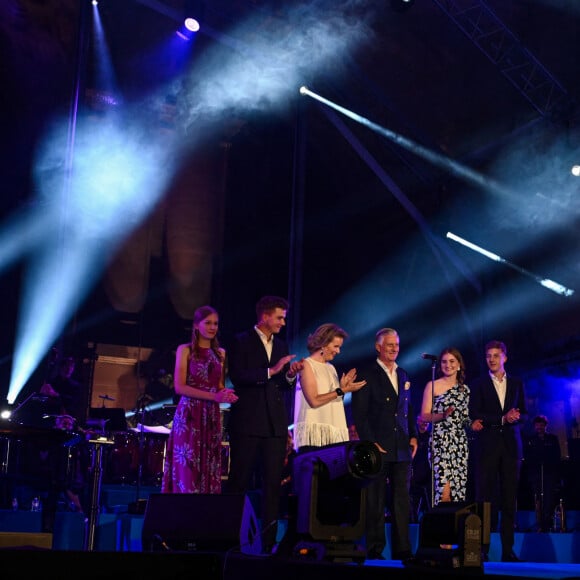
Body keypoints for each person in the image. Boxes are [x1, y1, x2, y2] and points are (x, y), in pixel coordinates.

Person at [225, 295, 303, 554]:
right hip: (247, 422)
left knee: (272, 486)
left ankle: (268, 544)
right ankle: (230, 540)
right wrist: (272, 370)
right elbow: (238, 376)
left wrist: (290, 375)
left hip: (274, 425)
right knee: (239, 482)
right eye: (279, 317)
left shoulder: (280, 344)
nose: (283, 322)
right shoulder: (240, 341)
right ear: (265, 316)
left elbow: (281, 384)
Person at [351, 328, 418, 561]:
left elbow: (408, 409)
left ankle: (403, 549)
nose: (394, 348)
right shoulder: (366, 374)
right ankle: (375, 548)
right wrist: (370, 442)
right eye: (389, 344)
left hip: (401, 446)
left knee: (402, 500)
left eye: (397, 344)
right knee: (375, 499)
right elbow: (360, 414)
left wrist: (414, 436)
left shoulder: (404, 374)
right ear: (378, 347)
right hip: (378, 446)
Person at [161, 305, 238, 494]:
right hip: (189, 413)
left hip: (211, 415)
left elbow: (218, 385)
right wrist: (214, 396)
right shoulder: (185, 350)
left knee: (209, 464)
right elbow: (180, 387)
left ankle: (204, 516)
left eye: (216, 323)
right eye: (208, 323)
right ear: (196, 326)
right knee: (187, 466)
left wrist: (226, 393)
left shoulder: (220, 353)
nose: (213, 327)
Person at [469, 340, 528, 563]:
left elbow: (526, 412)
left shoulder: (517, 383)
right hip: (487, 446)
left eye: (495, 355)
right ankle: (481, 549)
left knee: (509, 498)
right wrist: (502, 419)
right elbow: (475, 412)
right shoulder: (478, 384)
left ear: (505, 357)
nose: (491, 359)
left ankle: (508, 550)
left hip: (512, 447)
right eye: (488, 356)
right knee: (484, 498)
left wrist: (517, 416)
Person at [293, 323, 366, 452]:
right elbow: (314, 401)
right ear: (323, 344)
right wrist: (341, 390)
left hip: (331, 435)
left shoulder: (331, 368)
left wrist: (342, 389)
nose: (338, 351)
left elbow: (332, 401)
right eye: (336, 346)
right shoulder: (307, 365)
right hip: (314, 438)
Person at [420, 347, 479, 505]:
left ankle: (453, 529)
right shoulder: (432, 385)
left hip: (459, 443)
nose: (448, 365)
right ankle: (440, 527)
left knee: (457, 494)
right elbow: (424, 415)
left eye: (452, 361)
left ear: (459, 365)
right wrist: (442, 415)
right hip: (440, 442)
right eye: (444, 362)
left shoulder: (465, 390)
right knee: (443, 492)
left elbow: (464, 418)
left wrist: (472, 424)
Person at [524, 414, 562, 532]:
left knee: (548, 498)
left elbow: (557, 456)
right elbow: (527, 456)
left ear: (546, 426)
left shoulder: (552, 439)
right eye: (537, 425)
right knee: (537, 498)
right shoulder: (530, 440)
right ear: (534, 426)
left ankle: (547, 522)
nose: (539, 427)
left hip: (549, 474)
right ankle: (539, 522)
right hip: (535, 474)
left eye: (541, 425)